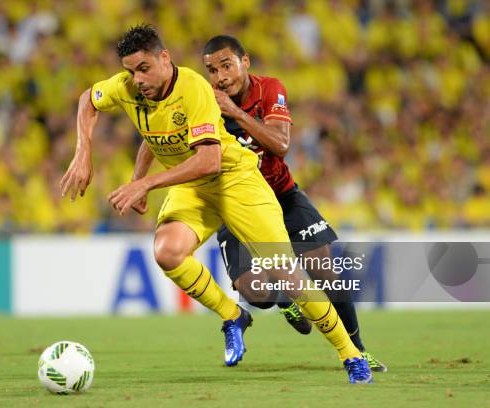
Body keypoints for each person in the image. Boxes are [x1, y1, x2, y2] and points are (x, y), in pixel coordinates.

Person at [60, 24, 373, 383]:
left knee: (288, 273)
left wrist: (145, 183)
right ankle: (233, 316)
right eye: (130, 71)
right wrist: (84, 154)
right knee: (167, 251)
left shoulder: (194, 89)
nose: (137, 79)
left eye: (143, 68)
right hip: (192, 186)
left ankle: (350, 354)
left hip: (234, 179)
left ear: (165, 58)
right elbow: (93, 101)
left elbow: (209, 160)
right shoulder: (129, 87)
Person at [201, 34, 386, 372]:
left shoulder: (270, 88)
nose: (220, 77)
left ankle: (357, 350)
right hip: (237, 206)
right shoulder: (204, 105)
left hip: (282, 195)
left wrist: (236, 115)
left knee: (326, 272)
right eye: (212, 70)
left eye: (226, 65)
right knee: (258, 295)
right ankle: (285, 298)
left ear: (245, 62)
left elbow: (281, 144)